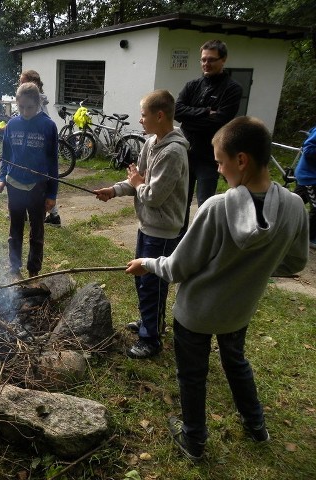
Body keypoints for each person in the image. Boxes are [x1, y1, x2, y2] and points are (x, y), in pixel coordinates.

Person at [126, 116, 309, 461]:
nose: (220, 170)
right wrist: (253, 270)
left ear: (241, 160)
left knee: (192, 376)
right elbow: (294, 263)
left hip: (196, 315)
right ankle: (256, 426)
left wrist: (146, 264)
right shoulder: (295, 207)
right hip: (238, 312)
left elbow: (177, 268)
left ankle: (193, 440)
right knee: (235, 361)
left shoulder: (216, 208)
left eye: (221, 162)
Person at [94, 90, 189, 359]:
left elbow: (152, 195)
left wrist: (137, 183)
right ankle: (151, 323)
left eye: (144, 115)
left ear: (160, 115)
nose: (140, 120)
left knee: (152, 285)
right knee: (143, 280)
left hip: (162, 230)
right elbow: (138, 181)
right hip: (147, 226)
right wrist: (114, 190)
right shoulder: (151, 143)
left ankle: (151, 339)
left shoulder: (173, 153)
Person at [175, 39, 242, 233]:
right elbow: (177, 111)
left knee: (205, 206)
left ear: (223, 60)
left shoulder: (232, 89)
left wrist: (191, 117)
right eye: (203, 60)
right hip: (186, 155)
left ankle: (201, 246)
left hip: (210, 158)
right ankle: (179, 245)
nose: (206, 64)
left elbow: (221, 120)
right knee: (181, 204)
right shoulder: (192, 85)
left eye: (211, 60)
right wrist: (205, 112)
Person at [0, 82, 58, 280]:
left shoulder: (48, 126)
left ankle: (34, 270)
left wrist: (52, 193)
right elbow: (5, 155)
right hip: (14, 184)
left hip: (38, 185)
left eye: (29, 107)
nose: (25, 111)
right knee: (15, 229)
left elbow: (53, 162)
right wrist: (2, 178)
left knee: (37, 230)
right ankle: (14, 268)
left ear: (38, 103)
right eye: (20, 107)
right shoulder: (12, 125)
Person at [19, 69, 61, 227]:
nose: (20, 85)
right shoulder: (29, 100)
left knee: (42, 185)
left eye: (22, 82)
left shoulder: (38, 103)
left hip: (37, 153)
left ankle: (54, 215)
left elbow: (43, 124)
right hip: (29, 151)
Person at [294, 126, 316, 249]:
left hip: (309, 176)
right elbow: (308, 149)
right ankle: (308, 238)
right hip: (310, 177)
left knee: (292, 204)